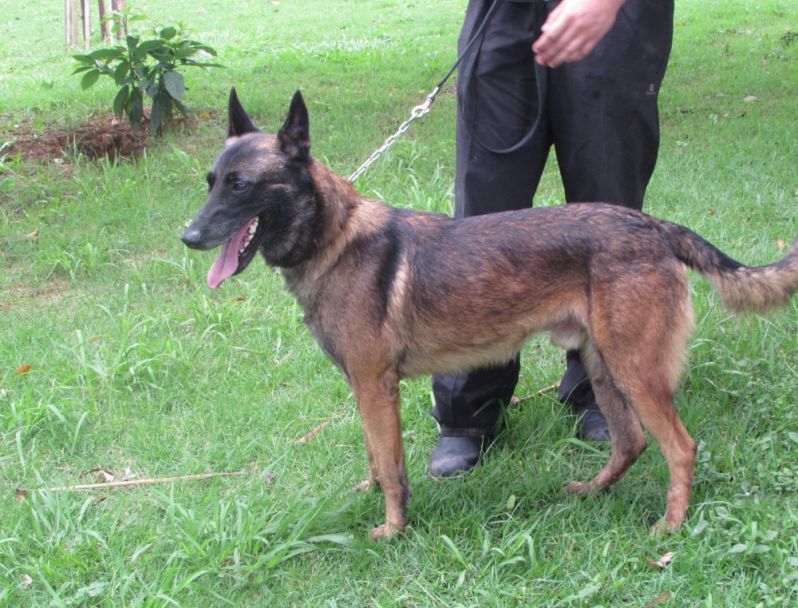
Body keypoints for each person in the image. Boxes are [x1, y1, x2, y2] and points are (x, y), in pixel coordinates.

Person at [428, 0, 675, 477]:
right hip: (502, 13)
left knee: (608, 208)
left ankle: (602, 390)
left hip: (616, 19)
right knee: (483, 215)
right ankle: (469, 410)